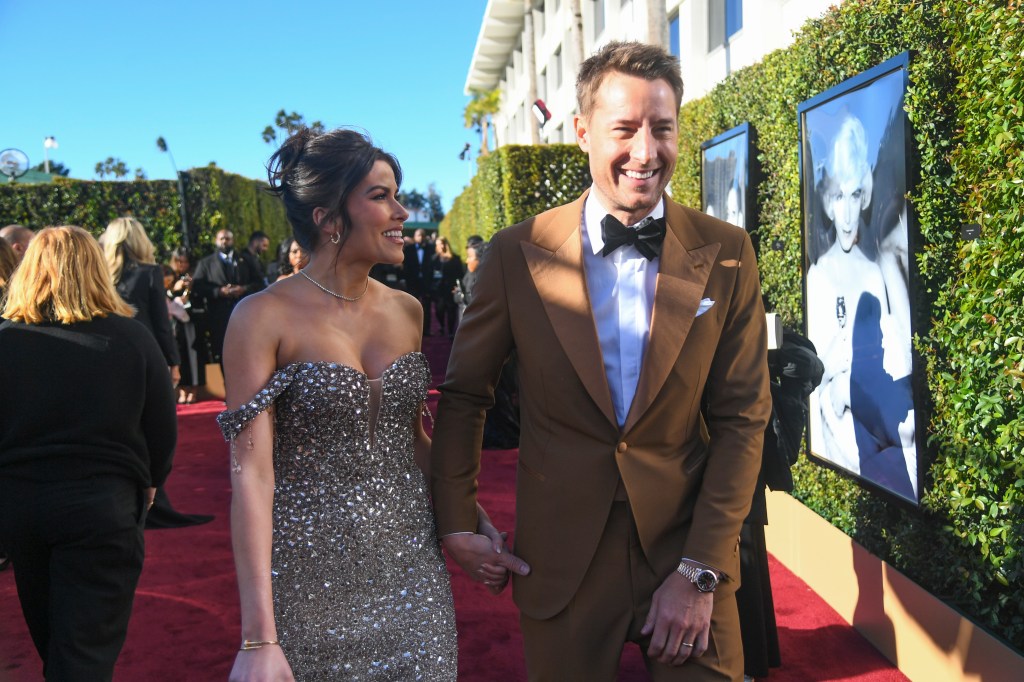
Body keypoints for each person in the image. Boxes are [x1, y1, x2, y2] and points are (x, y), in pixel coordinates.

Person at [431, 41, 771, 680]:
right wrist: (456, 520)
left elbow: (741, 420)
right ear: (583, 132)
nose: (646, 152)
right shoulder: (516, 253)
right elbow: (466, 395)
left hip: (687, 549)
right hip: (560, 559)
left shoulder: (726, 251)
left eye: (662, 129)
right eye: (624, 129)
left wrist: (700, 571)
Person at [216, 127, 506, 680]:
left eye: (397, 193)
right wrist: (258, 638)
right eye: (380, 196)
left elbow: (409, 439)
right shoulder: (260, 317)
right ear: (327, 218)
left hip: (412, 574)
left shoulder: (407, 311)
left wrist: (467, 513)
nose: (402, 210)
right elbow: (250, 476)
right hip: (309, 580)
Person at [0, 226, 177, 679]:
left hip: (22, 508)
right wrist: (150, 483)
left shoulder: (7, 340)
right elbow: (162, 427)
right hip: (103, 508)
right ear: (96, 268)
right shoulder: (132, 338)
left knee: (58, 647)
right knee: (81, 655)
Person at [805, 113, 916, 500]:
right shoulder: (817, 278)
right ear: (828, 202)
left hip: (877, 424)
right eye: (839, 196)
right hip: (842, 436)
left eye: (855, 195)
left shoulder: (873, 272)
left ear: (864, 196)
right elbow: (817, 389)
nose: (849, 214)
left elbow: (894, 358)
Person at [100, 217, 181, 386]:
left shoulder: (99, 276)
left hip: (106, 350)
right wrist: (173, 361)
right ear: (140, 241)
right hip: (143, 350)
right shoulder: (150, 272)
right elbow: (161, 322)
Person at [191, 228, 265, 370]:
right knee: (224, 355)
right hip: (219, 318)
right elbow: (198, 288)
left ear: (233, 240)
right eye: (221, 239)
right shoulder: (206, 263)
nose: (224, 242)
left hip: (245, 316)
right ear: (216, 241)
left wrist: (243, 289)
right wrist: (218, 291)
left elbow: (259, 283)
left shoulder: (245, 260)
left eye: (228, 238)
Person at [167, 246, 206, 404]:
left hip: (192, 322)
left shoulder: (196, 277)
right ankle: (182, 390)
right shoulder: (169, 277)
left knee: (194, 354)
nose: (182, 265)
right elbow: (164, 296)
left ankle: (194, 390)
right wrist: (174, 290)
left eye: (185, 262)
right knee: (180, 354)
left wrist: (190, 289)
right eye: (179, 262)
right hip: (176, 324)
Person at [402, 227, 434, 335]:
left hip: (426, 282)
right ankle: (412, 330)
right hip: (413, 281)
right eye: (418, 235)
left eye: (422, 235)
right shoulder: (409, 249)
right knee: (412, 305)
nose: (420, 237)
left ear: (425, 237)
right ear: (415, 237)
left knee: (426, 306)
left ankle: (426, 330)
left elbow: (432, 266)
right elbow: (406, 266)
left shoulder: (430, 248)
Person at [432, 236, 462, 337]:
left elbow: (460, 274)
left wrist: (458, 287)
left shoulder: (455, 259)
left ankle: (450, 331)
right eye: (437, 244)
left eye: (441, 243)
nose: (439, 246)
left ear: (446, 244)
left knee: (451, 310)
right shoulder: (434, 259)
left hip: (451, 288)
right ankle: (441, 326)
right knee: (439, 310)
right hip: (438, 290)